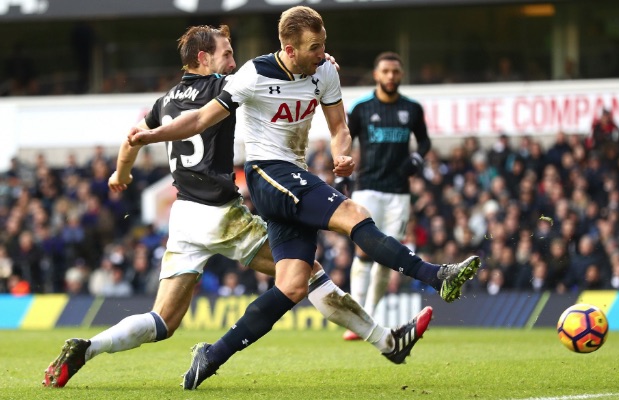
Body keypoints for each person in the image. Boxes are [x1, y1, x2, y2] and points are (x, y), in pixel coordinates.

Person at [43, 24, 433, 389]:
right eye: (226, 54)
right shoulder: (226, 84)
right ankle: (386, 341)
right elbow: (272, 69)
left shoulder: (163, 102)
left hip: (184, 218)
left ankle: (89, 347)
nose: (233, 62)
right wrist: (318, 60)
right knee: (306, 276)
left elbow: (132, 139)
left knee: (162, 320)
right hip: (220, 214)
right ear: (202, 59)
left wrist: (120, 175)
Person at [128, 6, 479, 390]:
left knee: (293, 284)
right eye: (315, 47)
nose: (323, 53)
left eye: (323, 44)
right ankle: (436, 275)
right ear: (288, 49)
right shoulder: (253, 75)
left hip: (295, 173)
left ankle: (212, 356)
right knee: (353, 213)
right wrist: (151, 137)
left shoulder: (324, 70)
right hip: (267, 173)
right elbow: (197, 120)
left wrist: (342, 152)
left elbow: (339, 127)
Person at [342, 52, 431, 341]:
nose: (391, 76)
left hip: (398, 193)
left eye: (395, 71)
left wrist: (417, 159)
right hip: (367, 187)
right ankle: (356, 316)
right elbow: (345, 138)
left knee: (388, 256)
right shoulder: (362, 108)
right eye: (385, 71)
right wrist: (342, 172)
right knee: (364, 250)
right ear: (376, 74)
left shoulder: (412, 109)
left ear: (401, 75)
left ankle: (370, 314)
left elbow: (425, 140)